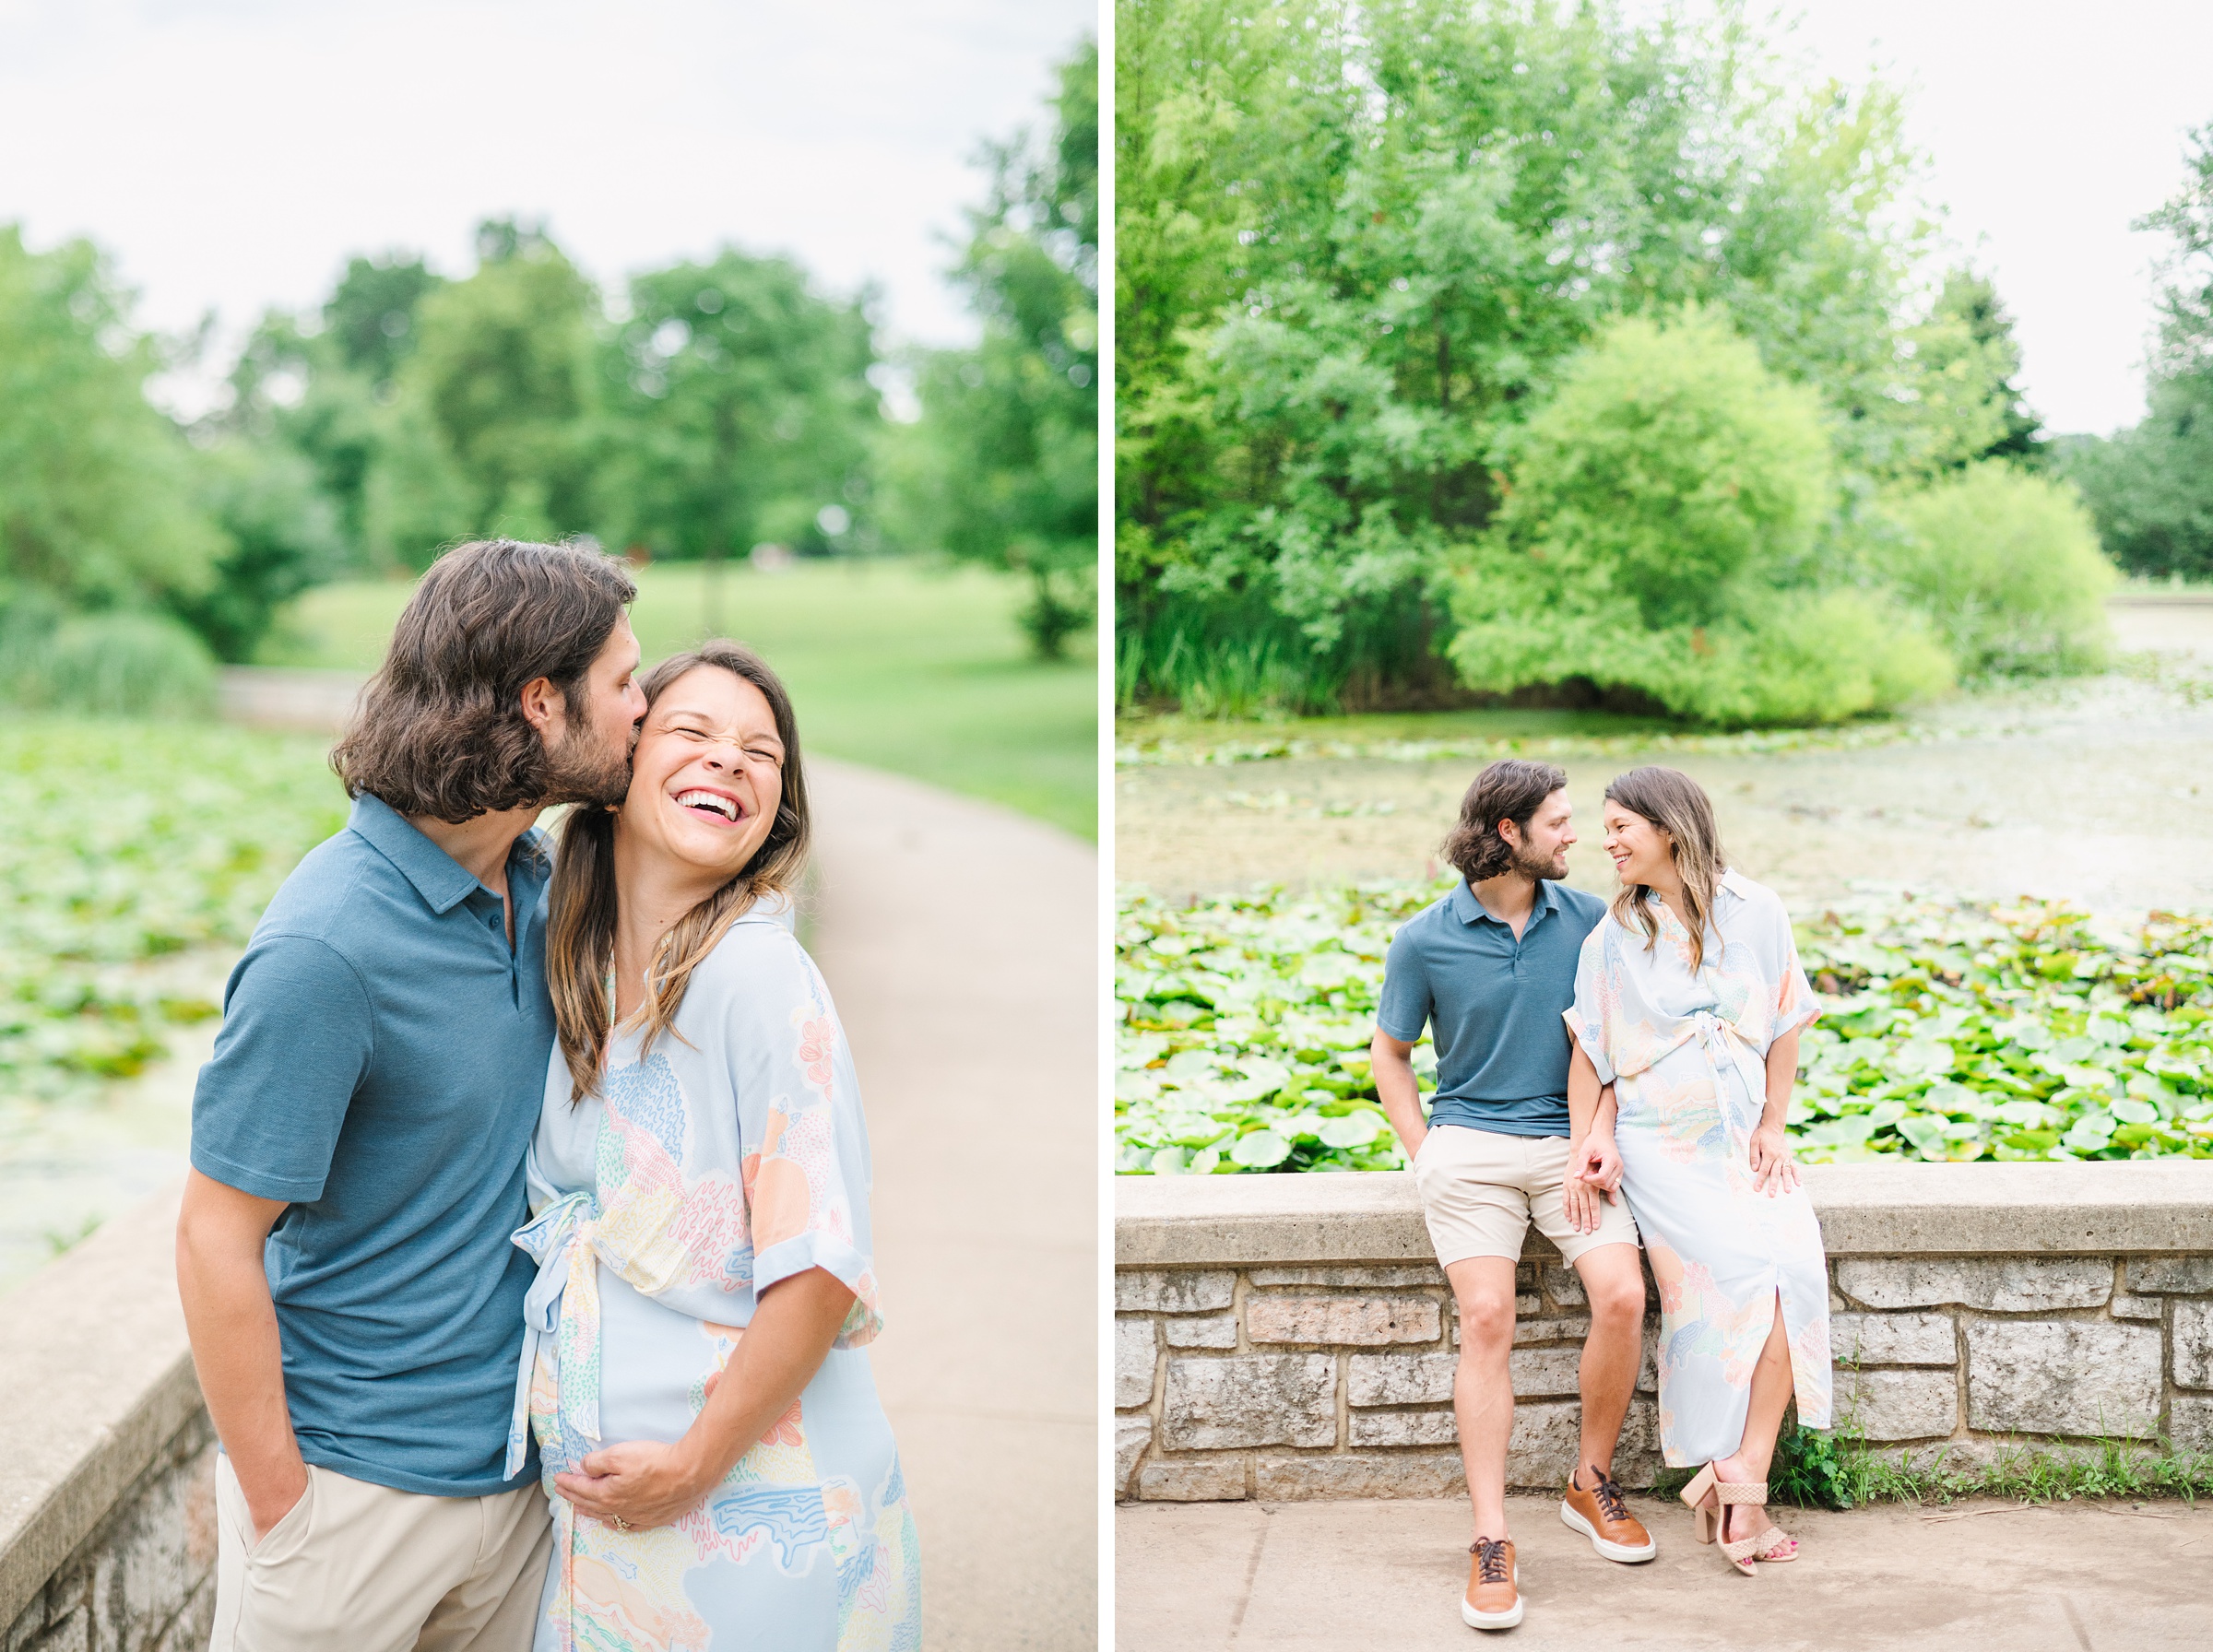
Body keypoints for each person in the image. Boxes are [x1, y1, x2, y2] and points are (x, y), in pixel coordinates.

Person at [177, 539, 646, 1648]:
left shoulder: (539, 882)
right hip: (350, 1507)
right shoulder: (325, 946)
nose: (643, 704)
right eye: (624, 681)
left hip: (517, 1488)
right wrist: (285, 1508)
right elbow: (212, 1236)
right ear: (543, 702)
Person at [513, 640, 920, 1651]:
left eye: (759, 753)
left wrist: (693, 1462)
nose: (728, 760)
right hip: (604, 1532)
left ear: (774, 812)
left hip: (751, 1512)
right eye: (691, 732)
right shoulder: (572, 972)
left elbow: (819, 1267)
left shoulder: (758, 982)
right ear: (620, 770)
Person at [1371, 759, 1654, 1635]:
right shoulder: (1424, 938)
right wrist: (1426, 1155)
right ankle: (1492, 1538)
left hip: (1571, 1146)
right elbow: (1392, 1055)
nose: (1579, 836)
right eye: (1560, 822)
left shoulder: (1593, 923)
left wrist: (1596, 1136)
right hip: (1469, 1152)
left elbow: (1618, 1046)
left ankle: (1589, 1481)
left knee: (1623, 1294)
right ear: (1508, 833)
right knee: (1487, 1316)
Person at [1564, 765, 1832, 1576]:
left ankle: (1740, 1475)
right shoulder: (1613, 937)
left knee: (1795, 1269)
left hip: (1742, 1139)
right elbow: (1591, 1056)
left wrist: (1774, 1124)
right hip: (1661, 1145)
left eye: (1620, 827)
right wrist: (1590, 1141)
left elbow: (1786, 1021)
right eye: (1604, 828)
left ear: (1669, 829)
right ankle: (1737, 1489)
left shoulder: (1758, 911)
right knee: (1738, 1272)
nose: (1606, 842)